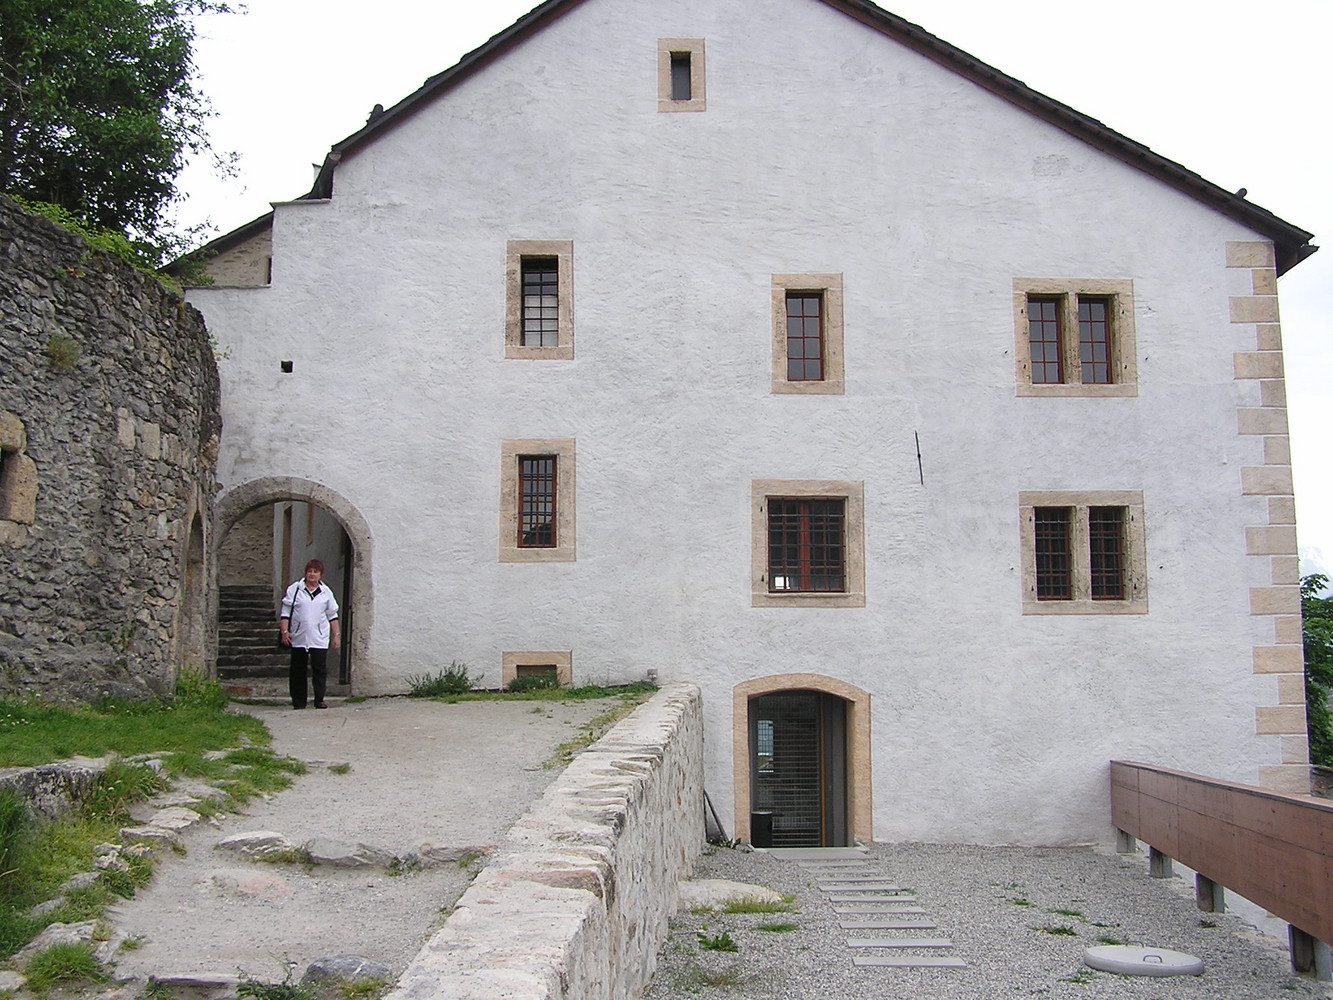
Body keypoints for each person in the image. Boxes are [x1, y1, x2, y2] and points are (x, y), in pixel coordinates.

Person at [279, 559, 340, 709]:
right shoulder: (295, 589)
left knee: (319, 669)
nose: (312, 574)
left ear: (320, 575)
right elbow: (286, 612)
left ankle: (319, 699)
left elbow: (332, 615)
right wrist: (285, 631)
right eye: (310, 571)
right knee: (298, 670)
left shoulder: (326, 592)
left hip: (319, 637)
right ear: (305, 573)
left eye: (315, 572)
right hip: (299, 636)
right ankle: (299, 701)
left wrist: (336, 635)